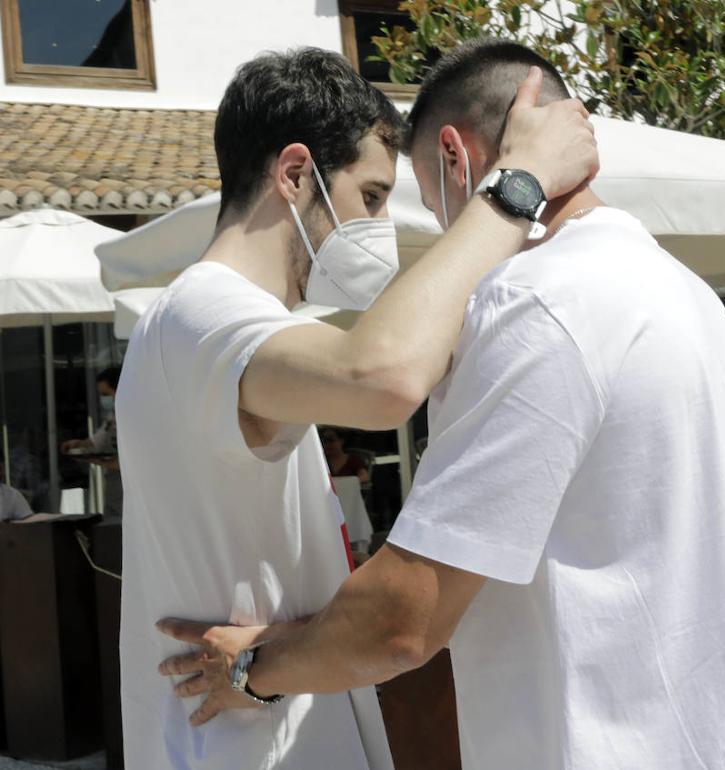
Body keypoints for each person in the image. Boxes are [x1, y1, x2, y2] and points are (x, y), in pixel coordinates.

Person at [155, 39, 725, 770]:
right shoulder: (691, 298)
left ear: (457, 159)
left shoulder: (538, 303)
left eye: (415, 193)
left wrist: (250, 670)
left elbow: (404, 618)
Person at [115, 47, 597, 770]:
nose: (377, 225)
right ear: (295, 174)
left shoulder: (213, 325)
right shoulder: (204, 314)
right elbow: (384, 379)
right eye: (370, 196)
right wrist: (514, 186)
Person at [61, 366, 123, 515]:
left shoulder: (131, 415)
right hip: (114, 480)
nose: (105, 399)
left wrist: (94, 460)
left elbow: (124, 463)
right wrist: (79, 444)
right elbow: (98, 441)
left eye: (105, 394)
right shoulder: (113, 414)